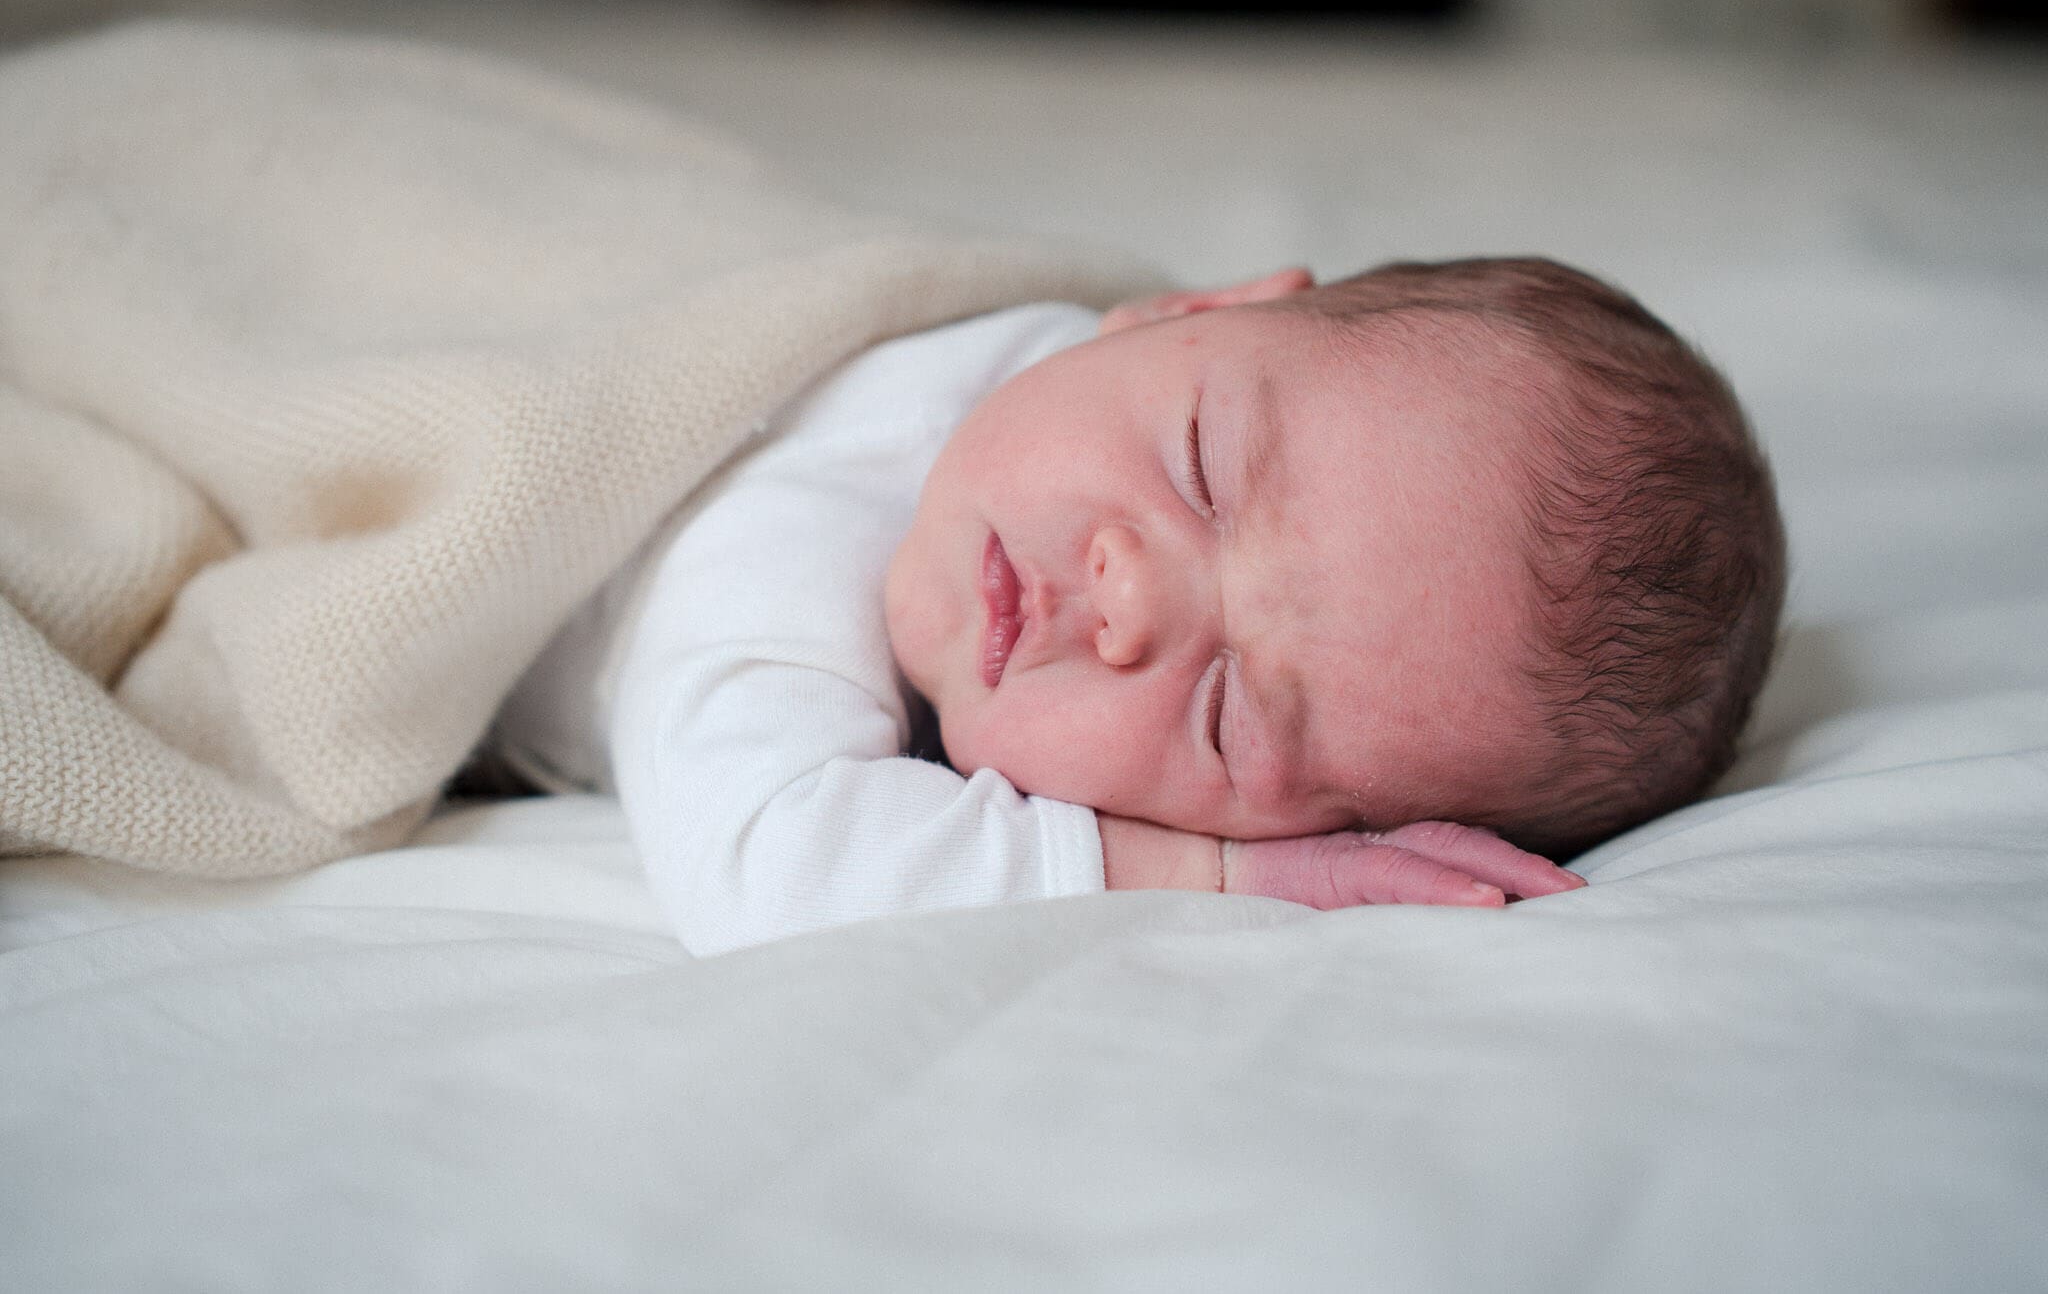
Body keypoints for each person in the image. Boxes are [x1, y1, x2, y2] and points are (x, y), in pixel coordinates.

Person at [488, 256, 1785, 955]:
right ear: (1188, 307)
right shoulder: (808, 507)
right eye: (1204, 466)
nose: (1123, 602)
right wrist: (1219, 866)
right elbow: (772, 874)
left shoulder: (1092, 413)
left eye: (1223, 717)